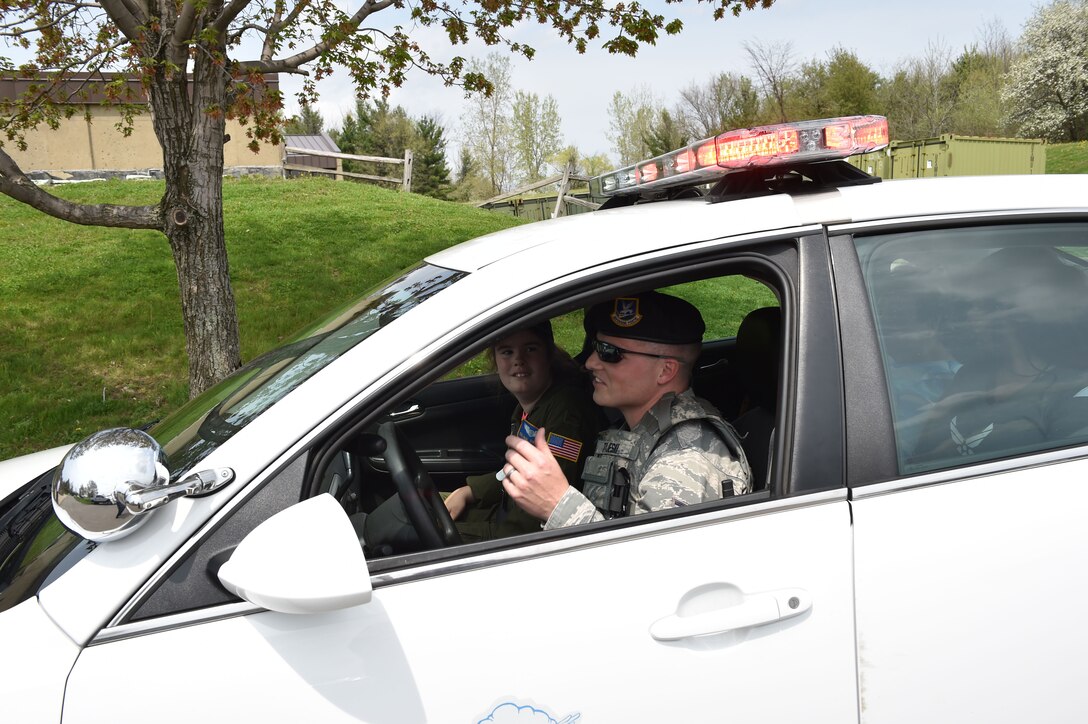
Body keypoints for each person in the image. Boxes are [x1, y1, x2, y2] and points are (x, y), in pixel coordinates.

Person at [500, 291, 751, 529]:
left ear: (665, 371)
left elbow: (649, 571)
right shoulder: (640, 430)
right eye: (596, 348)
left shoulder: (684, 461)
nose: (590, 363)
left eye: (610, 353)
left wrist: (557, 505)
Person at [444, 320, 601, 541]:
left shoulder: (566, 414)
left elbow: (529, 527)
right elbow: (519, 471)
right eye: (507, 352)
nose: (518, 360)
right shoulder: (531, 407)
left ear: (549, 355)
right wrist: (471, 491)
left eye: (530, 349)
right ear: (495, 361)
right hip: (507, 515)